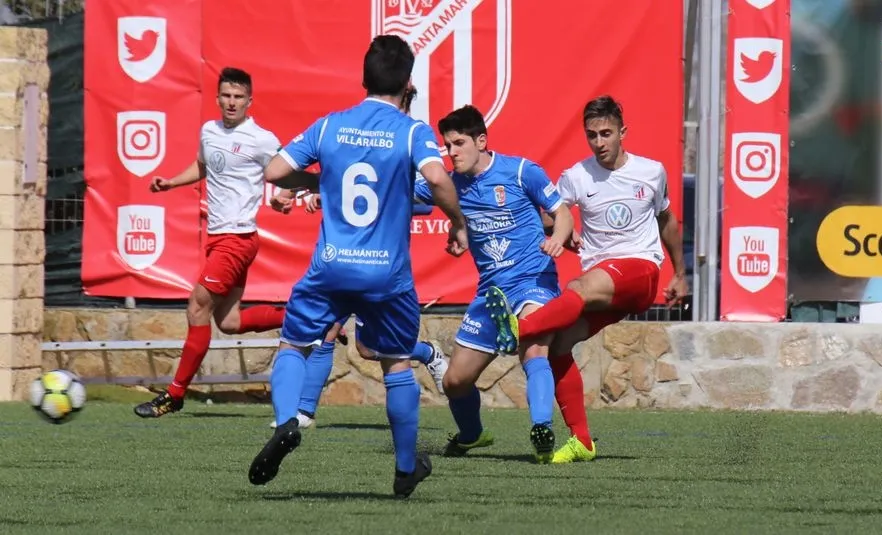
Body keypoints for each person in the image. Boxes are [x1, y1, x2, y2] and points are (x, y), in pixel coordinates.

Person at [248, 35, 467, 499]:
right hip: (387, 275)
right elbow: (436, 178)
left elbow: (272, 172)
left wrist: (318, 178)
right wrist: (458, 223)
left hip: (331, 268)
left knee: (294, 344)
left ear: (362, 79)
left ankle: (288, 420)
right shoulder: (411, 131)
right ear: (407, 82)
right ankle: (405, 469)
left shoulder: (329, 127)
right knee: (396, 364)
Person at [486, 95, 688, 463]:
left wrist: (682, 273)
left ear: (623, 132)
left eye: (606, 133)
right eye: (592, 135)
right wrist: (564, 233)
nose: (599, 142)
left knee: (576, 289)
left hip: (640, 271)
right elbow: (551, 215)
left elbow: (666, 221)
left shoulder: (651, 171)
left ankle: (519, 329)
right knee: (560, 345)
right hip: (604, 282)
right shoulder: (577, 177)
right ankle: (582, 441)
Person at [413, 105, 575, 463]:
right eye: (447, 145)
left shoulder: (520, 172)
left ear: (481, 141)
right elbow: (402, 192)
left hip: (534, 280)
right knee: (455, 382)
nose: (451, 152)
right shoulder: (449, 184)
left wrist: (557, 240)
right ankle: (472, 435)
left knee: (533, 347)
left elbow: (562, 214)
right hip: (491, 293)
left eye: (458, 143)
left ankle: (541, 431)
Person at [133, 67, 295, 419]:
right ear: (218, 98)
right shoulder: (209, 131)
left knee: (196, 308)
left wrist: (285, 193)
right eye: (226, 96)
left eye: (239, 97)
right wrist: (172, 183)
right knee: (230, 321)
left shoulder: (260, 138)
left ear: (250, 101)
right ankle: (303, 314)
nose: (232, 102)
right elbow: (203, 166)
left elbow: (293, 168)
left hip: (236, 239)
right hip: (220, 237)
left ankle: (174, 395)